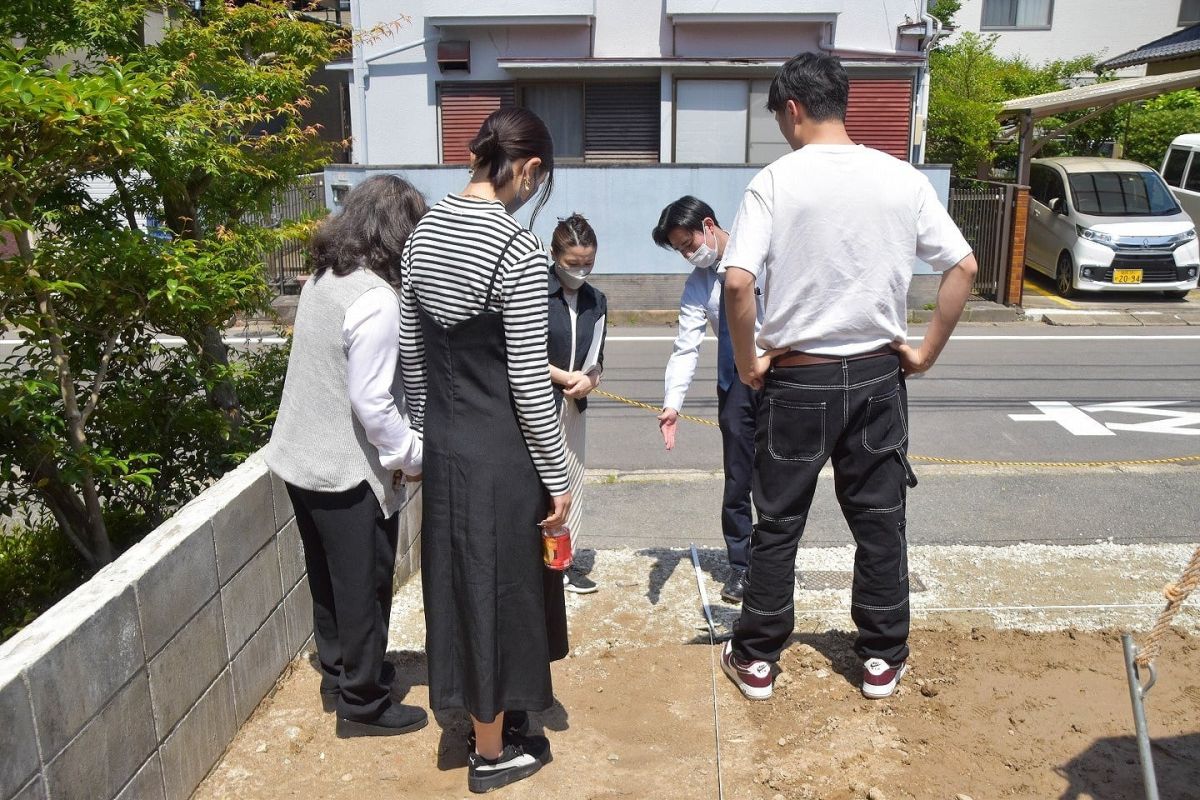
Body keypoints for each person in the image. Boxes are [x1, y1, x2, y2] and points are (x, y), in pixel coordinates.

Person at [718, 52, 978, 703]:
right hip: (877, 375)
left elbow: (738, 281)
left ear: (795, 108)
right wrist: (924, 353)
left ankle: (756, 660)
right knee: (880, 520)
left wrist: (750, 360)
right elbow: (964, 268)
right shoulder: (901, 179)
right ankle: (882, 658)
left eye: (780, 115)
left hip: (796, 380)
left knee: (777, 523)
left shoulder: (775, 182)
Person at [399, 107, 571, 794]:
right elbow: (531, 384)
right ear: (526, 169)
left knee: (457, 586)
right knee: (501, 589)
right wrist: (560, 478)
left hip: (447, 442)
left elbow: (414, 360)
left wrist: (432, 432)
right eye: (539, 181)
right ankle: (494, 753)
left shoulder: (420, 235)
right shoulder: (517, 250)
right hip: (502, 452)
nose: (534, 193)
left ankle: (480, 720)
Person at [265, 175, 428, 736]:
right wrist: (411, 454)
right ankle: (364, 704)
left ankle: (338, 674)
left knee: (328, 578)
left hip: (298, 458)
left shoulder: (324, 279)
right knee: (364, 584)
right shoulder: (377, 300)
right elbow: (373, 401)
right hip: (344, 469)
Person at [651, 196, 762, 604]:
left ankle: (774, 563)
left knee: (780, 478)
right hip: (734, 382)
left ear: (709, 226)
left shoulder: (759, 254)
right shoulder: (699, 284)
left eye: (687, 244)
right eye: (680, 250)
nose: (687, 254)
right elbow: (686, 346)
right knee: (737, 478)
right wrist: (672, 403)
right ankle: (741, 567)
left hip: (782, 376)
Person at [547, 213, 607, 595]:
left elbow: (599, 357)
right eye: (572, 265)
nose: (581, 272)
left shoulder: (596, 300)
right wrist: (561, 375)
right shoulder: (535, 291)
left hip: (574, 406)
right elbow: (519, 351)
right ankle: (544, 568)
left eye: (588, 264)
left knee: (573, 481)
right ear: (554, 256)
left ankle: (563, 564)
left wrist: (590, 378)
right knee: (545, 483)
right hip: (539, 400)